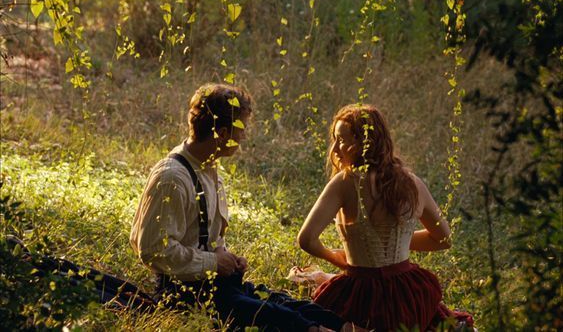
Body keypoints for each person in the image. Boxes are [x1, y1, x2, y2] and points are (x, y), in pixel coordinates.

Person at [130, 83, 357, 332]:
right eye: (242, 129)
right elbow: (152, 250)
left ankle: (348, 328)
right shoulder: (172, 178)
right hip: (184, 294)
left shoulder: (209, 169)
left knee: (286, 304)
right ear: (224, 132)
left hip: (217, 285)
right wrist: (213, 262)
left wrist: (227, 258)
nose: (244, 137)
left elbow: (201, 238)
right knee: (278, 318)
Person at [298, 104, 475, 331]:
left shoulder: (344, 183)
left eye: (342, 140)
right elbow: (443, 239)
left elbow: (307, 239)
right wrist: (398, 241)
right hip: (407, 295)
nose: (335, 148)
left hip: (361, 294)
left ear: (364, 143)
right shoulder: (413, 183)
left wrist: (337, 259)